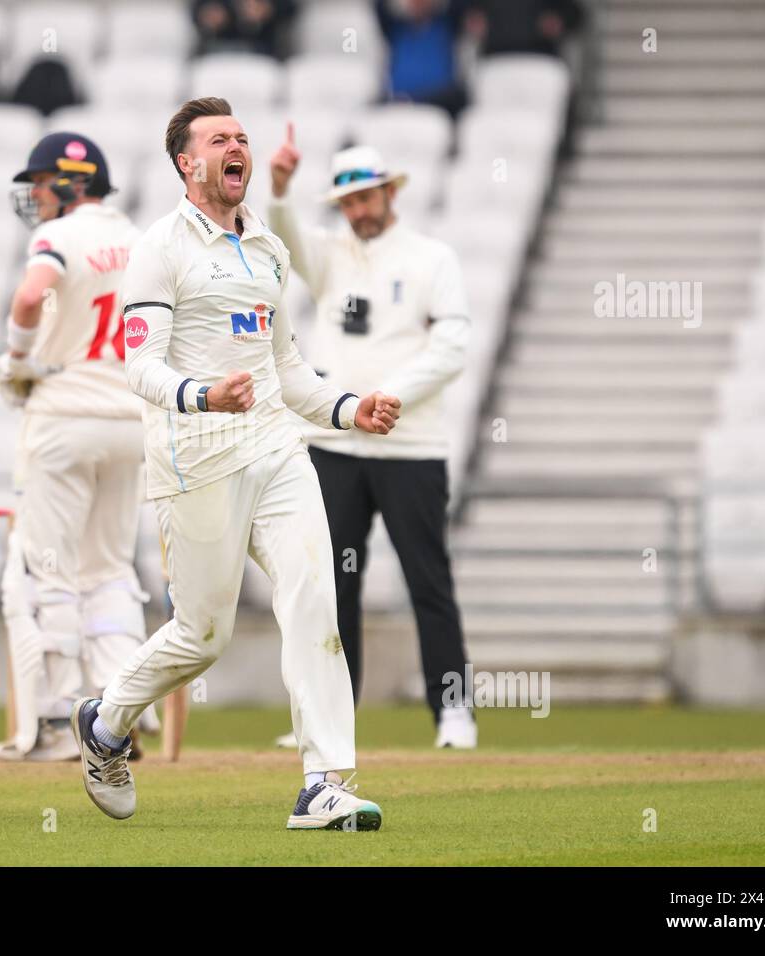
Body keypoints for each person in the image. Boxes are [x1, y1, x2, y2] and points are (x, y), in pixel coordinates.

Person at [69, 97, 402, 831]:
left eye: (242, 138)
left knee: (314, 599)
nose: (236, 147)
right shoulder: (161, 246)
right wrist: (203, 396)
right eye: (220, 139)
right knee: (203, 635)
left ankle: (324, 782)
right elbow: (140, 366)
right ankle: (105, 722)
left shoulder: (270, 249)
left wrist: (350, 410)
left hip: (277, 450)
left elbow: (285, 369)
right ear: (188, 163)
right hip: (196, 460)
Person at [266, 129, 478, 749]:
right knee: (332, 584)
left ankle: (454, 712)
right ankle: (333, 718)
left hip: (411, 447)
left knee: (427, 580)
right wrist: (278, 185)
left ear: (389, 193)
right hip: (336, 443)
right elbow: (283, 237)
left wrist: (390, 396)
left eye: (367, 198)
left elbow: (452, 346)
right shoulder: (331, 256)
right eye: (348, 203)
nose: (359, 211)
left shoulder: (432, 258)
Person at [0, 132, 157, 762]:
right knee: (111, 567)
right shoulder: (142, 241)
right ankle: (118, 714)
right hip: (128, 418)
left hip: (64, 414)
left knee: (52, 568)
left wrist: (17, 358)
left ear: (69, 184)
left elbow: (31, 295)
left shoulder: (58, 237)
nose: (33, 196)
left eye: (39, 184)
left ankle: (59, 721)